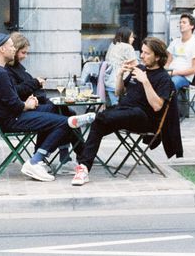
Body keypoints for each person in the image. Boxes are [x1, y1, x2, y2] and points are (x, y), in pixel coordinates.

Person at [0, 33, 94, 182]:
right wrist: (27, 105)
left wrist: (28, 102)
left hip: (11, 116)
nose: (13, 49)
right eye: (11, 47)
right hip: (12, 119)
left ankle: (49, 158)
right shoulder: (0, 73)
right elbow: (15, 105)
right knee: (65, 122)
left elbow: (9, 100)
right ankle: (36, 160)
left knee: (60, 111)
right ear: (2, 49)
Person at [72, 37, 178, 186]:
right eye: (142, 52)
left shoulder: (164, 79)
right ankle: (83, 168)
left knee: (130, 113)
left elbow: (157, 106)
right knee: (99, 123)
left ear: (158, 57)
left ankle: (93, 116)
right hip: (123, 113)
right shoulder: (139, 69)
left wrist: (145, 81)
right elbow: (118, 93)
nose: (141, 56)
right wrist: (120, 75)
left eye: (147, 53)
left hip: (144, 119)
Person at [166, 13, 195, 92]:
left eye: (184, 22)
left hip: (184, 78)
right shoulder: (175, 42)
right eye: (180, 22)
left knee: (172, 83)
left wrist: (175, 73)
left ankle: (167, 104)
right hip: (170, 73)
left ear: (191, 26)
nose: (181, 24)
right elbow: (168, 62)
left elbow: (194, 69)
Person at [103, 27, 138, 105]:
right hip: (120, 83)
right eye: (131, 37)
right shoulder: (128, 47)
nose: (133, 39)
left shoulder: (112, 45)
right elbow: (136, 65)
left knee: (113, 108)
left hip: (109, 82)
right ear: (126, 37)